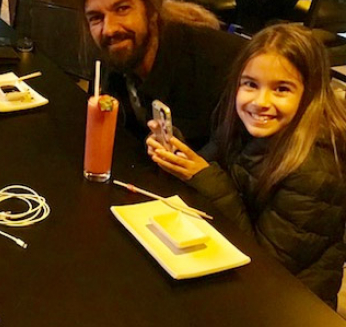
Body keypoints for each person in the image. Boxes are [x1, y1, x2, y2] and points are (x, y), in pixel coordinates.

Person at [146, 24, 346, 308]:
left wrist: (206, 178)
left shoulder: (317, 170)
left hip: (290, 303)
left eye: (281, 89)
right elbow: (206, 167)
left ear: (311, 95)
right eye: (250, 84)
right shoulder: (242, 126)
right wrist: (177, 154)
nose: (260, 102)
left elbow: (266, 263)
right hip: (244, 276)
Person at [78, 0, 247, 149]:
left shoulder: (215, 65)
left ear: (151, 9)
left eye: (122, 9)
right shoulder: (111, 58)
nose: (109, 29)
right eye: (96, 18)